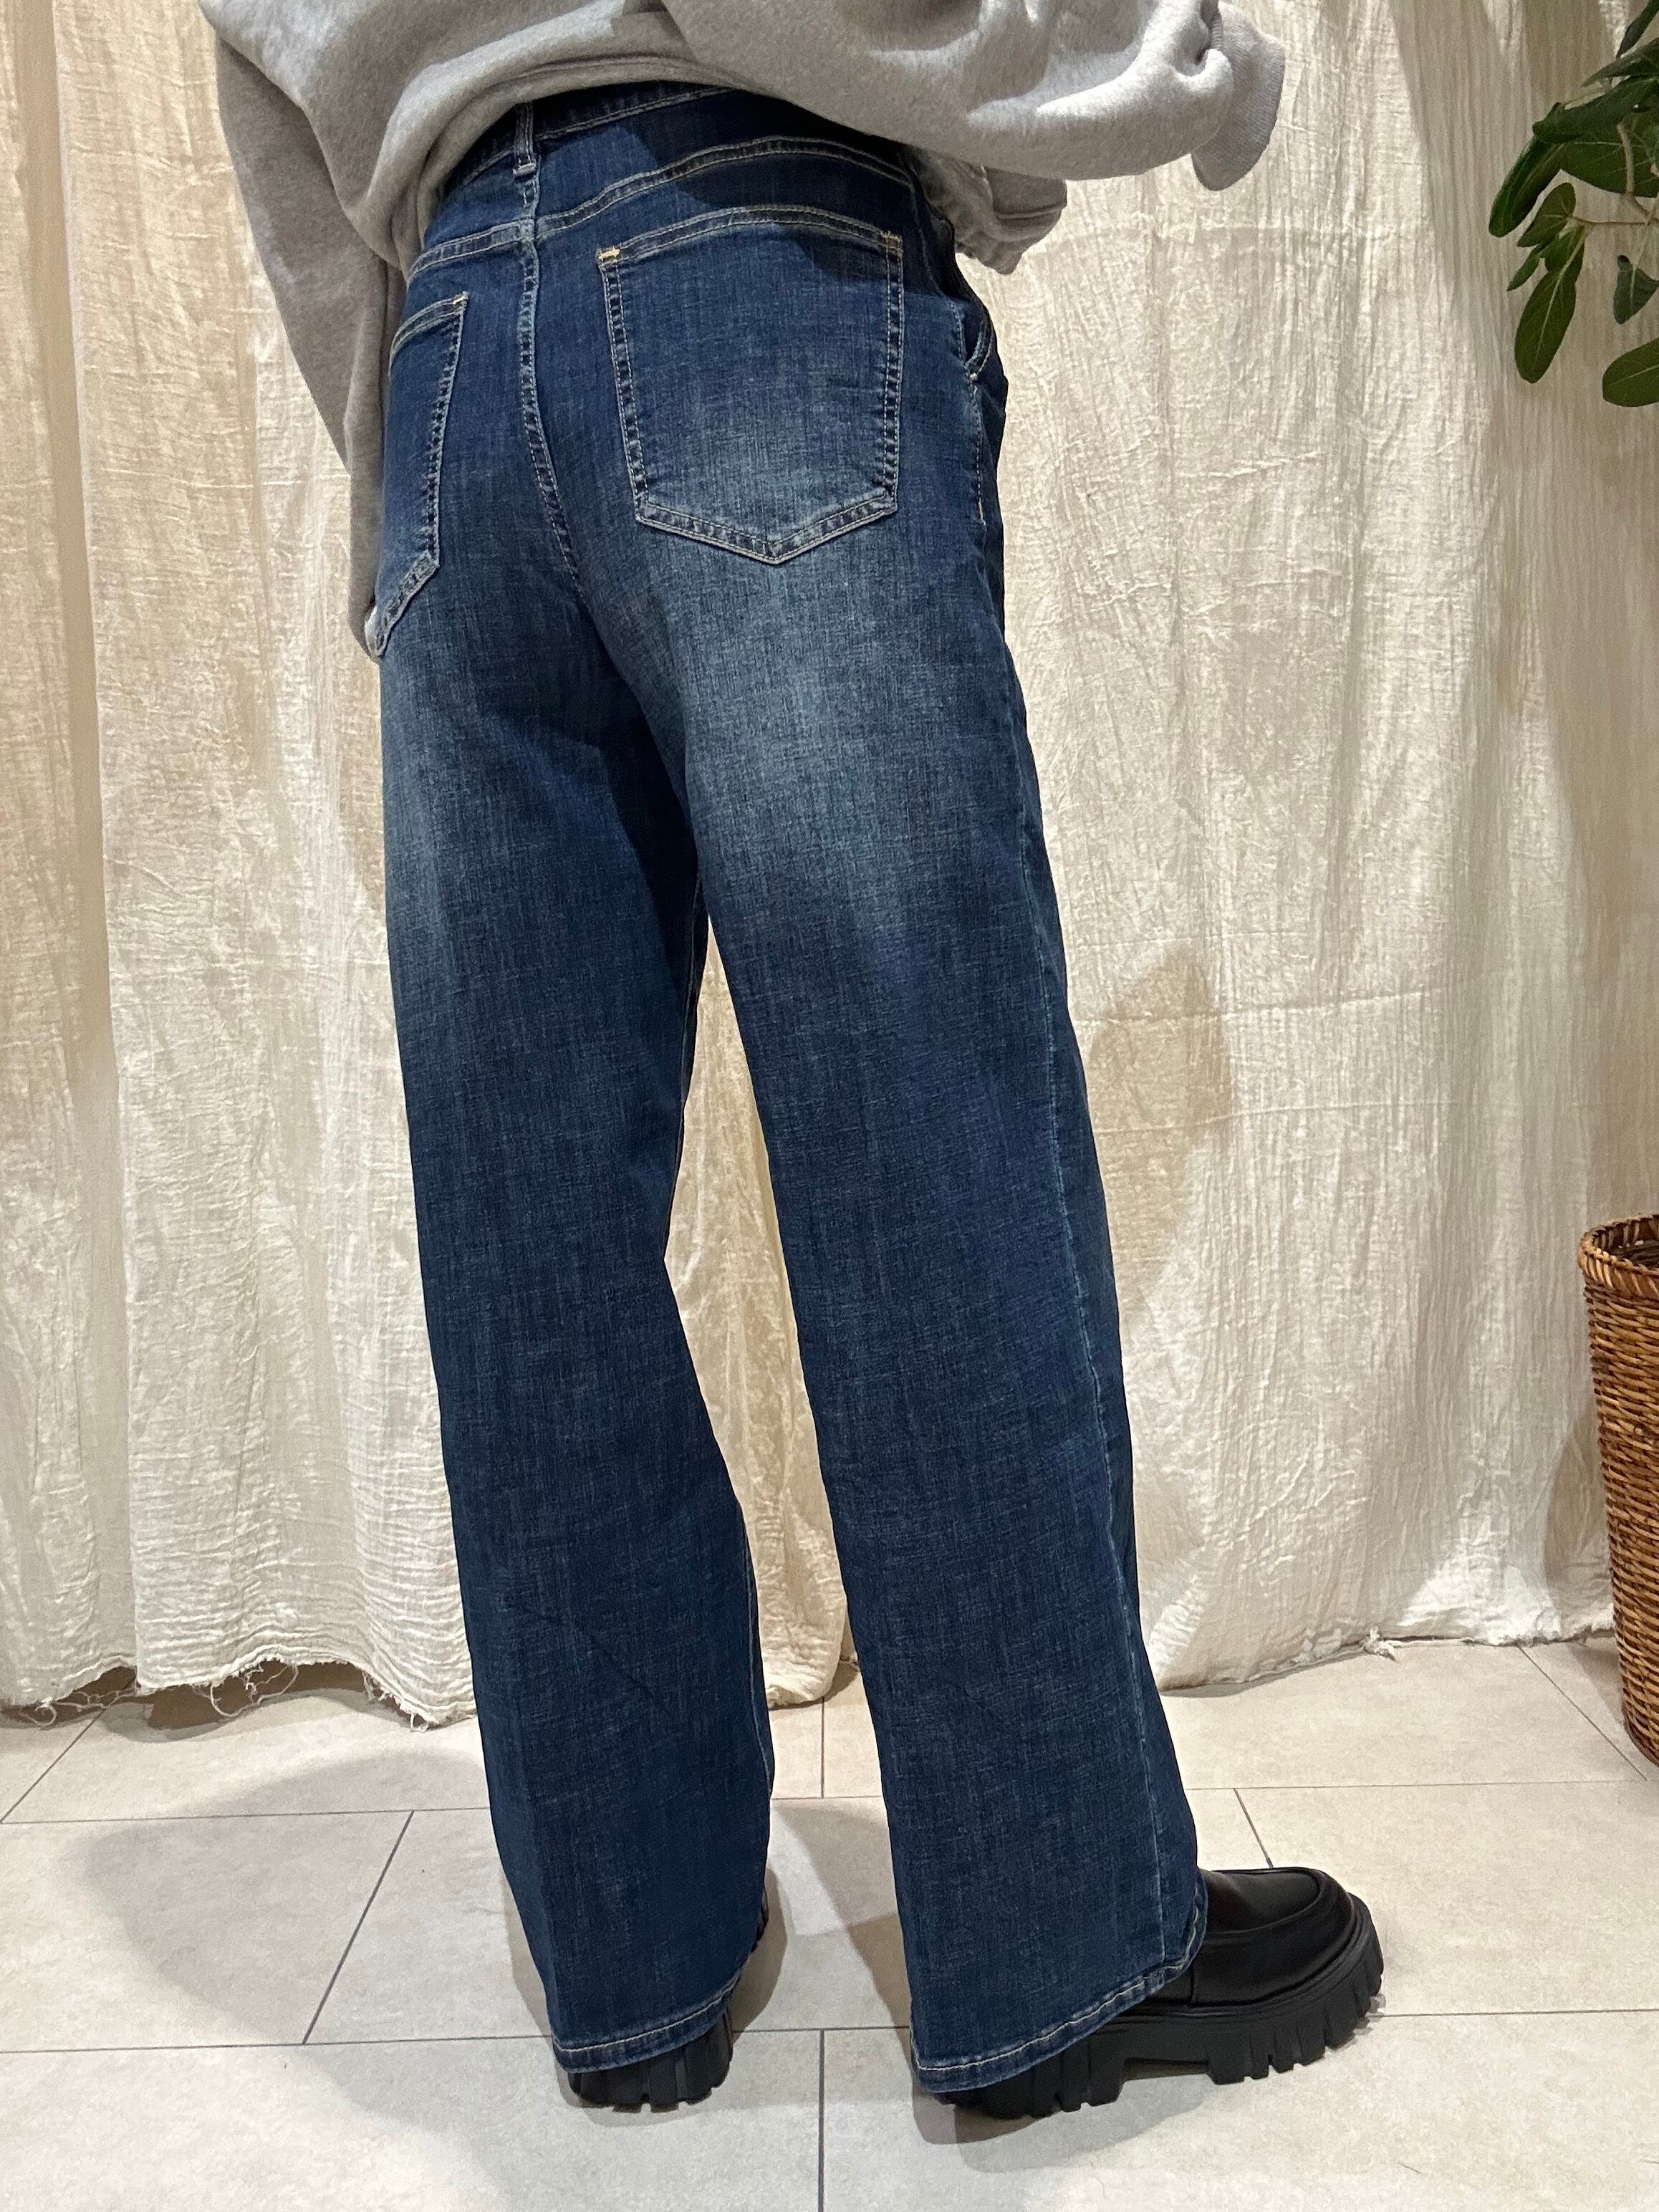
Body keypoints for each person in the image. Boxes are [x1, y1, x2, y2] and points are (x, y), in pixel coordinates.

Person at [201, 4, 1384, 2122]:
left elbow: (278, 119)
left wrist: (408, 447)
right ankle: (1056, 1958)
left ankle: (632, 1962)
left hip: (446, 353)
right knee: (926, 1152)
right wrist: (1169, 59)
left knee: (531, 1237)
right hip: (748, 269)